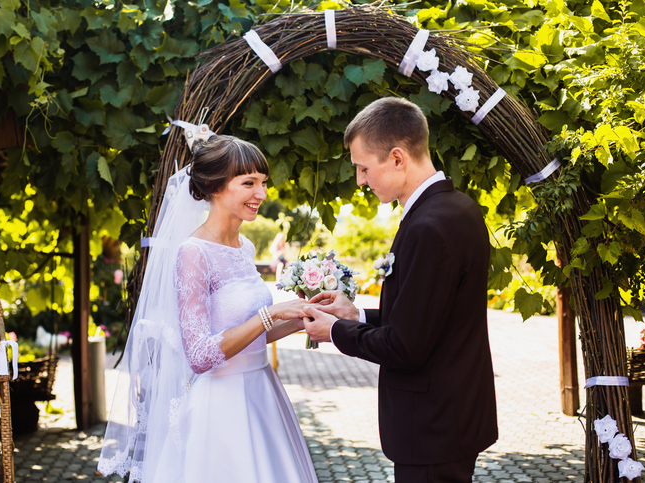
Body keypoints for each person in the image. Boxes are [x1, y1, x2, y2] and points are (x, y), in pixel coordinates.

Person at [98, 135, 318, 483]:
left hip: (263, 394)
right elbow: (199, 355)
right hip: (222, 407)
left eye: (263, 183)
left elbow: (255, 334)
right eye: (248, 183)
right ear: (214, 187)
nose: (261, 194)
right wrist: (271, 314)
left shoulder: (244, 247)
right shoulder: (193, 253)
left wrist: (303, 317)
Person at [302, 97, 498, 482]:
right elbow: (428, 318)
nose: (360, 179)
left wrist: (335, 331)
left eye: (363, 167)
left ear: (396, 158)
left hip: (432, 426)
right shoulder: (458, 208)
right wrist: (354, 314)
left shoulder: (429, 227)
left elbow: (405, 346)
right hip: (451, 417)